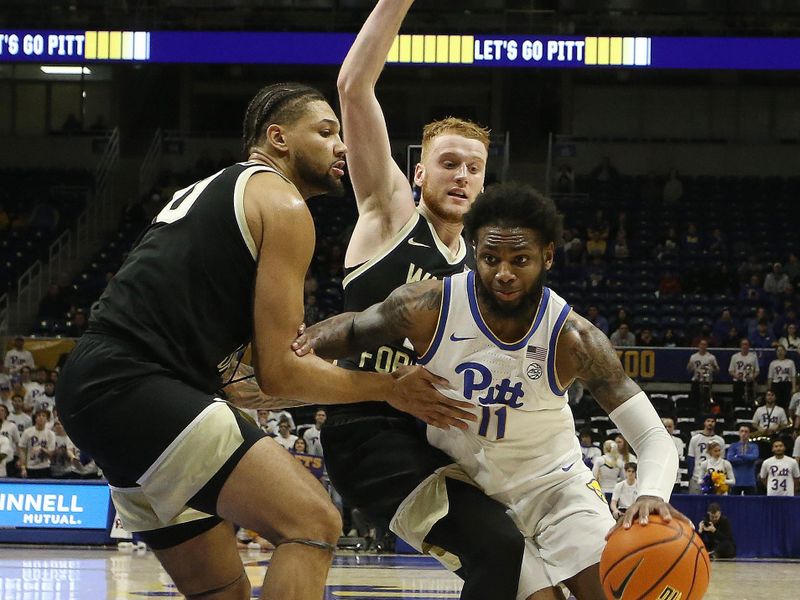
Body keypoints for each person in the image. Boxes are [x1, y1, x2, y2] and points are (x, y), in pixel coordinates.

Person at [56, 82, 470, 600]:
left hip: (100, 386)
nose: (341, 147)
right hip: (138, 384)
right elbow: (280, 372)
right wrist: (388, 386)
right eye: (325, 132)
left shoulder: (218, 187)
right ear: (277, 138)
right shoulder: (284, 203)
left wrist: (277, 376)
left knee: (222, 589)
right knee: (314, 524)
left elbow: (267, 373)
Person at [295, 182, 684, 599]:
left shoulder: (573, 339)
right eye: (490, 258)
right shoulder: (429, 306)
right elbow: (351, 329)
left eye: (521, 260)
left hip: (558, 491)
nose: (504, 273)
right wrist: (289, 349)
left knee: (612, 594)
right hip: (474, 490)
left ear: (547, 256)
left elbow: (651, 436)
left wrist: (651, 493)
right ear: (473, 250)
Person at [321, 2, 530, 598]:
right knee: (496, 548)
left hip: (437, 433)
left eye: (473, 168)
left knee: (525, 551)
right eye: (448, 164)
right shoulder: (388, 213)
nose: (461, 175)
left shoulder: (480, 270)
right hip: (367, 430)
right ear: (418, 173)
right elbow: (353, 85)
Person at [687, 416, 725, 494]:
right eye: (708, 421)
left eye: (712, 421)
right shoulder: (695, 439)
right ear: (704, 422)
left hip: (714, 478)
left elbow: (722, 460)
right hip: (697, 477)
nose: (710, 423)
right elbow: (691, 458)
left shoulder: (720, 440)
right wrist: (691, 475)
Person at [18, 409, 56, 478]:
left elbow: (51, 453)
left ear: (47, 420)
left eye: (43, 416)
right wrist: (23, 467)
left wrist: (41, 449)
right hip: (30, 466)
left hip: (45, 467)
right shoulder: (27, 432)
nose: (41, 417)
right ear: (35, 418)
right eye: (39, 416)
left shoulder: (51, 434)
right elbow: (22, 450)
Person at [725, 424, 760, 495]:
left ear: (749, 433)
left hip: (749, 481)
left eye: (746, 431)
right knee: (733, 503)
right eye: (742, 431)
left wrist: (740, 455)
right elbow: (730, 458)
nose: (744, 433)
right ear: (739, 433)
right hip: (736, 480)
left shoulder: (754, 446)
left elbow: (754, 457)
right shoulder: (733, 446)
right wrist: (747, 459)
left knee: (751, 503)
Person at [687, 340, 719, 412]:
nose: (703, 346)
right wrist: (689, 366)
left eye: (704, 345)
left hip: (707, 381)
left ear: (707, 346)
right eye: (701, 344)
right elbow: (689, 369)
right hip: (696, 381)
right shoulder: (693, 357)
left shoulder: (711, 357)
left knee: (706, 400)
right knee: (695, 400)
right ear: (699, 346)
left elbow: (717, 370)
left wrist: (713, 366)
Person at [729, 339, 759, 408]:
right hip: (738, 382)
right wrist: (736, 376)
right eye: (743, 344)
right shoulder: (735, 357)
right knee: (737, 401)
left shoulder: (753, 357)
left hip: (749, 382)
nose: (745, 346)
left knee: (749, 401)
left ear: (749, 346)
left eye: (746, 344)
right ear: (740, 346)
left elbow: (757, 371)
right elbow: (730, 370)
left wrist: (752, 377)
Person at [767, 344, 796, 410]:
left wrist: (794, 388)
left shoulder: (790, 362)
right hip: (776, 385)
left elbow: (793, 376)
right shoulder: (773, 363)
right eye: (778, 350)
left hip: (786, 384)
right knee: (777, 403)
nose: (780, 352)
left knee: (787, 403)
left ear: (785, 352)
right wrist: (769, 389)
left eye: (782, 350)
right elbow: (770, 377)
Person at [662, 418, 685, 493]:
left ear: (673, 427)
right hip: (661, 479)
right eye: (665, 426)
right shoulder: (657, 441)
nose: (667, 429)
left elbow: (678, 457)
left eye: (669, 426)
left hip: (675, 479)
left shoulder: (678, 441)